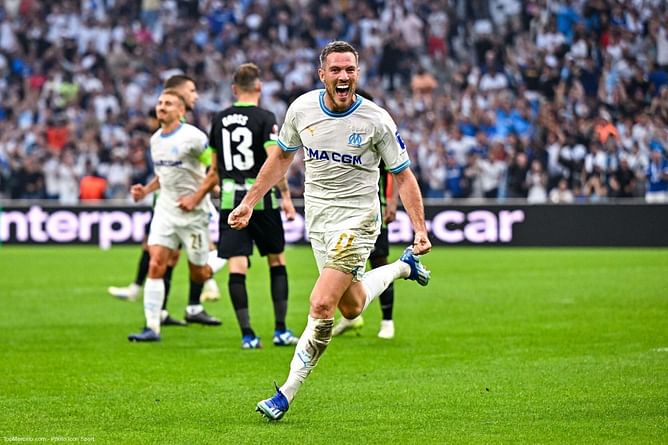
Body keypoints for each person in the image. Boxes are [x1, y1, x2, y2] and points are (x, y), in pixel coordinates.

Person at [227, 41, 431, 420]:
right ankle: (403, 267)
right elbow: (281, 158)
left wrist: (420, 228)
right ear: (322, 74)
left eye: (349, 69)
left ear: (357, 73)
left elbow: (402, 175)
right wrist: (249, 201)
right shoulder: (302, 110)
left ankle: (285, 393)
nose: (343, 76)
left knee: (321, 305)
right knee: (350, 305)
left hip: (359, 221)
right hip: (319, 221)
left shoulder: (376, 119)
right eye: (335, 70)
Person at [108, 74, 223, 326]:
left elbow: (214, 170)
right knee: (157, 261)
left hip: (193, 213)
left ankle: (224, 257)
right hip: (166, 210)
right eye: (160, 103)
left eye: (167, 103)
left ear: (180, 110)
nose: (161, 107)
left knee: (199, 270)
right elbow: (163, 175)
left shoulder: (194, 138)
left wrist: (197, 196)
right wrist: (145, 191)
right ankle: (152, 326)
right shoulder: (155, 140)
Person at [209, 63, 299, 349]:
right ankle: (281, 330)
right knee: (276, 260)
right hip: (262, 200)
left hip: (230, 200)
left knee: (237, 266)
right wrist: (285, 197)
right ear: (258, 87)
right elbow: (274, 160)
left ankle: (248, 335)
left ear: (234, 89)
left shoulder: (219, 119)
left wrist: (216, 183)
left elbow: (213, 168)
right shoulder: (265, 117)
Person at [332, 89, 400, 340]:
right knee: (343, 266)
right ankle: (352, 317)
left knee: (379, 263)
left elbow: (396, 169)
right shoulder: (338, 133)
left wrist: (392, 204)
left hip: (374, 211)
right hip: (342, 214)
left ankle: (387, 321)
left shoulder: (377, 130)